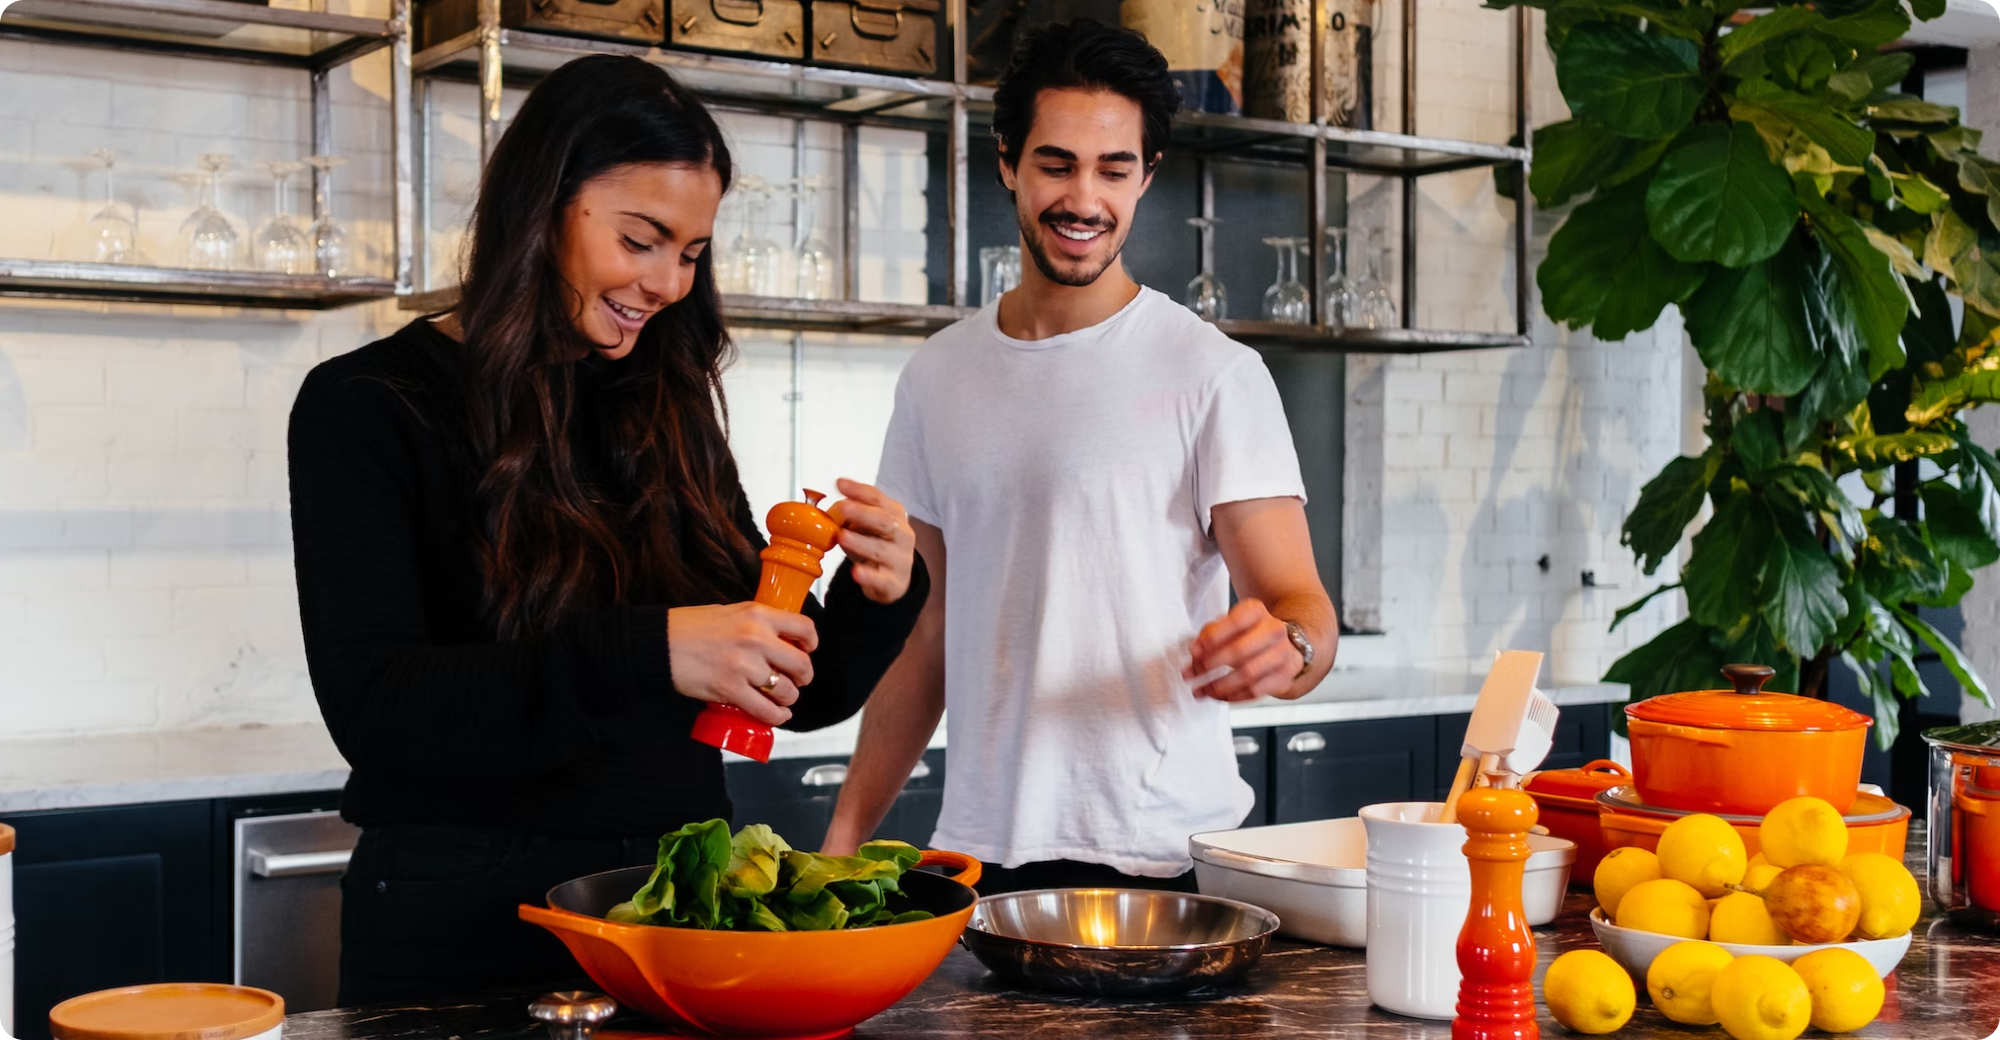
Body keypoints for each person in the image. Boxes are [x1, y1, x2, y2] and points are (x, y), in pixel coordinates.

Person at [287, 55, 926, 1004]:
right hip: (458, 924)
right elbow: (378, 713)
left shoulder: (666, 406)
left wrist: (878, 596)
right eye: (642, 239)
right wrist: (652, 650)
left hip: (678, 911)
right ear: (543, 205)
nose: (668, 282)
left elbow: (784, 694)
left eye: (693, 252)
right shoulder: (367, 405)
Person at [821, 19, 1338, 892]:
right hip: (979, 856)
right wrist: (841, 841)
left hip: (1165, 858)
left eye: (1114, 169)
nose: (1084, 199)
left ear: (1148, 176)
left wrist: (1285, 650)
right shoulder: (939, 374)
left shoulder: (1214, 373)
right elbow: (926, 634)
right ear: (1007, 163)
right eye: (1056, 164)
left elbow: (1303, 613)